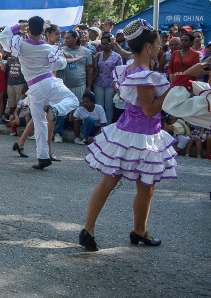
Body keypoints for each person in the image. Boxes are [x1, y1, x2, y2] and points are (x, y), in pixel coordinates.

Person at [80, 19, 178, 252]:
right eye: (157, 45)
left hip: (127, 133)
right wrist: (174, 87)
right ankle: (138, 231)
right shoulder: (143, 74)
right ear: (148, 48)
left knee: (111, 183)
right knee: (145, 185)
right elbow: (150, 109)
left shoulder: (129, 69)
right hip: (141, 137)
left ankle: (92, 229)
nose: (160, 49)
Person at [0, 16, 78, 170]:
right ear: (43, 30)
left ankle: (43, 157)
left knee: (39, 122)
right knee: (72, 100)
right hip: (49, 82)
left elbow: (2, 36)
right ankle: (56, 110)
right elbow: (60, 64)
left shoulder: (19, 45)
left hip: (34, 88)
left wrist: (18, 27)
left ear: (28, 29)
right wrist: (59, 53)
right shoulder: (49, 48)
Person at [92, 33, 122, 124]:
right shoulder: (98, 55)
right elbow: (95, 69)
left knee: (109, 106)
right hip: (99, 83)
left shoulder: (117, 56)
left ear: (110, 44)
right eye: (102, 44)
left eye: (106, 44)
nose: (104, 46)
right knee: (99, 105)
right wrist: (94, 59)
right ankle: (98, 125)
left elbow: (119, 72)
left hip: (110, 84)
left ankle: (108, 125)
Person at [58, 30, 93, 102]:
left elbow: (89, 70)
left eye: (68, 38)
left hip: (80, 87)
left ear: (75, 39)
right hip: (64, 87)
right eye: (65, 38)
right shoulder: (61, 51)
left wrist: (89, 86)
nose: (66, 40)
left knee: (78, 108)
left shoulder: (86, 52)